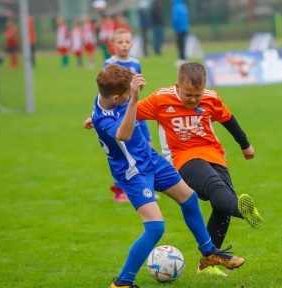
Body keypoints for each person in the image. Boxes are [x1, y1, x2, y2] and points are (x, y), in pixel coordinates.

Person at [85, 62, 263, 276]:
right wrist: (101, 118)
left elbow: (228, 119)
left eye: (198, 94)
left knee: (202, 200)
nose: (194, 99)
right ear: (177, 87)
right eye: (188, 94)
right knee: (161, 224)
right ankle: (122, 283)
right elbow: (123, 125)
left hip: (191, 155)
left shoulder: (210, 98)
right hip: (161, 163)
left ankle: (208, 257)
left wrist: (244, 145)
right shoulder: (154, 100)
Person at [102, 28, 155, 202]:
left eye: (127, 42)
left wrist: (139, 86)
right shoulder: (108, 64)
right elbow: (105, 92)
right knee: (123, 152)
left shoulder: (136, 63)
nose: (124, 45)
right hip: (119, 114)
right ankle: (119, 191)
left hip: (136, 111)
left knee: (147, 147)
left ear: (132, 43)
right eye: (120, 42)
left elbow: (137, 89)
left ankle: (147, 188)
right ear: (112, 45)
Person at [171, 0, 189, 65]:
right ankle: (183, 57)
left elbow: (176, 18)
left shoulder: (176, 7)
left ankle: (181, 58)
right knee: (183, 44)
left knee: (179, 44)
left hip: (179, 28)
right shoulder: (184, 6)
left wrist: (174, 26)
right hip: (185, 27)